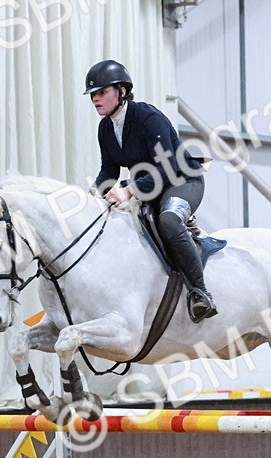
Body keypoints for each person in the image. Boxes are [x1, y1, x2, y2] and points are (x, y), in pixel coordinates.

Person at [85, 59, 218, 322]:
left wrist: (129, 191)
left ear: (121, 91)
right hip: (148, 187)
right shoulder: (106, 128)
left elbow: (167, 167)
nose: (96, 100)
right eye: (93, 95)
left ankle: (200, 293)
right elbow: (109, 172)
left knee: (168, 220)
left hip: (182, 180)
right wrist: (90, 195)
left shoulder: (148, 118)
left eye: (101, 93)